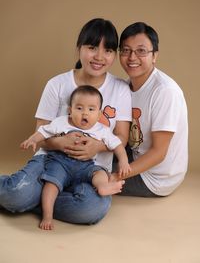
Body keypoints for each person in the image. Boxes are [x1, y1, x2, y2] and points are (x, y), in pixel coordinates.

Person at [0, 18, 132, 225]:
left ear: (114, 54)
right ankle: (26, 194)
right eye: (91, 47)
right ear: (79, 48)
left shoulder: (121, 89)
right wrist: (60, 143)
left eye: (107, 50)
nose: (99, 56)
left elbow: (122, 137)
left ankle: (37, 197)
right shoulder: (57, 84)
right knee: (13, 194)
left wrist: (96, 146)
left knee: (90, 209)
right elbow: (42, 135)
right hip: (51, 161)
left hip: (92, 169)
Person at [21, 85, 130, 230]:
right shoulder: (62, 122)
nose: (85, 113)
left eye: (91, 109)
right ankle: (47, 215)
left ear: (99, 114)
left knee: (100, 172)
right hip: (60, 163)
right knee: (51, 184)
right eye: (79, 108)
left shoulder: (102, 130)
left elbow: (117, 145)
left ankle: (102, 186)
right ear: (70, 110)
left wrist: (123, 161)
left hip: (86, 165)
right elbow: (44, 131)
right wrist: (33, 139)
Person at [112, 21, 188, 197]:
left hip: (156, 176)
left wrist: (114, 176)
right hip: (134, 154)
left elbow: (159, 153)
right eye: (126, 50)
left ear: (154, 56)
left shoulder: (164, 91)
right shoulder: (125, 86)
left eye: (141, 51)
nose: (132, 57)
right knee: (80, 162)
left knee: (89, 178)